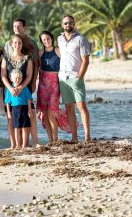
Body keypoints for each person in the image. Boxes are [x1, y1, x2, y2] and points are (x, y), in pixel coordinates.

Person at [57, 14, 92, 142]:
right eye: (66, 23)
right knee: (69, 108)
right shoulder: (59, 39)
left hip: (75, 78)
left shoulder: (81, 39)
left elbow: (86, 60)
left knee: (81, 106)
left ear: (74, 24)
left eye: (70, 23)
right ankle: (74, 137)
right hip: (63, 78)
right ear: (62, 25)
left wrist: (79, 77)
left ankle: (87, 137)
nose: (68, 25)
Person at [1, 34, 39, 148]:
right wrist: (10, 88)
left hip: (24, 91)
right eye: (15, 43)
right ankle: (14, 144)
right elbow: (3, 75)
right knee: (11, 118)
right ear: (11, 44)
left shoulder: (27, 58)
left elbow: (29, 76)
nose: (17, 45)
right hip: (9, 91)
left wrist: (20, 87)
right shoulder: (6, 58)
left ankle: (26, 143)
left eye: (20, 43)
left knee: (28, 116)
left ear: (22, 44)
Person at [36, 31, 71, 144]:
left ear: (52, 38)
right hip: (43, 84)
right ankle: (50, 140)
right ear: (41, 41)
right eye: (44, 40)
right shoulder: (40, 53)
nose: (46, 41)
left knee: (52, 110)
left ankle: (55, 139)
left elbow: (67, 63)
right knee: (45, 112)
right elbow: (37, 68)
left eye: (48, 38)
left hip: (55, 82)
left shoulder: (58, 50)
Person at [4, 18, 40, 93]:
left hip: (27, 83)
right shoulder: (8, 44)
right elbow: (5, 64)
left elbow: (36, 64)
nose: (16, 28)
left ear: (24, 27)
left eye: (19, 26)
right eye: (14, 26)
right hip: (11, 85)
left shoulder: (32, 43)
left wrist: (33, 83)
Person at [4, 69, 34, 148]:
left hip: (24, 109)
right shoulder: (9, 90)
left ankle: (24, 145)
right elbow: (7, 102)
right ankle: (17, 145)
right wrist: (9, 113)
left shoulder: (24, 88)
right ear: (11, 79)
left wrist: (30, 110)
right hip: (14, 109)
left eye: (19, 78)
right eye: (16, 78)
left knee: (24, 128)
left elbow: (28, 99)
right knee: (16, 128)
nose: (18, 80)